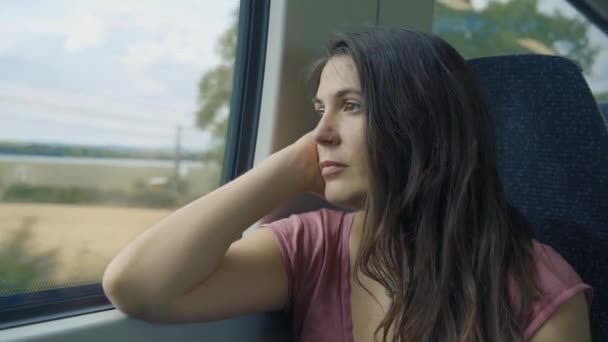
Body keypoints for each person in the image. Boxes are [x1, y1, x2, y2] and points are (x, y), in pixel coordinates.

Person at [102, 27, 593, 342]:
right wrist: (287, 168)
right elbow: (139, 287)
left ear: (422, 123)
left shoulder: (539, 289)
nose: (321, 132)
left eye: (352, 105)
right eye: (321, 110)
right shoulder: (315, 246)